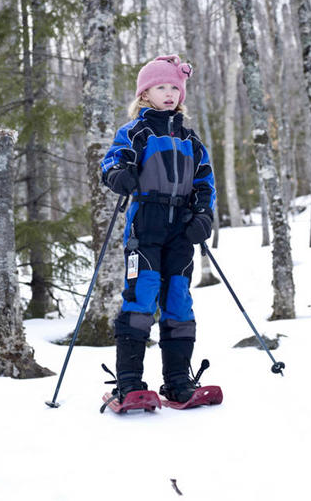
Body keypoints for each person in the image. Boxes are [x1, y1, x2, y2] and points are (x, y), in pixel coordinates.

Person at [101, 54, 216, 405]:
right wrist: (119, 174)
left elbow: (205, 183)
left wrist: (203, 217)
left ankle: (179, 380)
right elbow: (111, 162)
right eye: (160, 87)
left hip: (181, 228)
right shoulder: (135, 131)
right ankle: (130, 382)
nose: (169, 94)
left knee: (179, 299)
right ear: (144, 94)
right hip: (145, 225)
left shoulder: (190, 139)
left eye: (174, 88)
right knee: (142, 295)